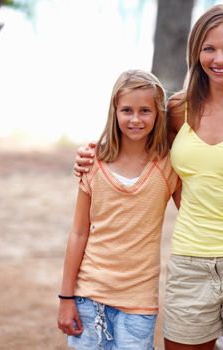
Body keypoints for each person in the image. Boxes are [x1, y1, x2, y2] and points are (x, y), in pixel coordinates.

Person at [74, 5, 223, 350]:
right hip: (189, 262)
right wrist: (91, 152)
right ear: (195, 53)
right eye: (209, 48)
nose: (219, 58)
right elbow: (133, 137)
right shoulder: (177, 111)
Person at [58, 70, 181, 350]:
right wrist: (66, 297)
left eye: (145, 111)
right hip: (88, 295)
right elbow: (78, 233)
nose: (135, 119)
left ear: (158, 114)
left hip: (138, 302)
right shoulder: (94, 161)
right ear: (114, 111)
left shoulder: (167, 165)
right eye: (127, 110)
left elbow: (194, 214)